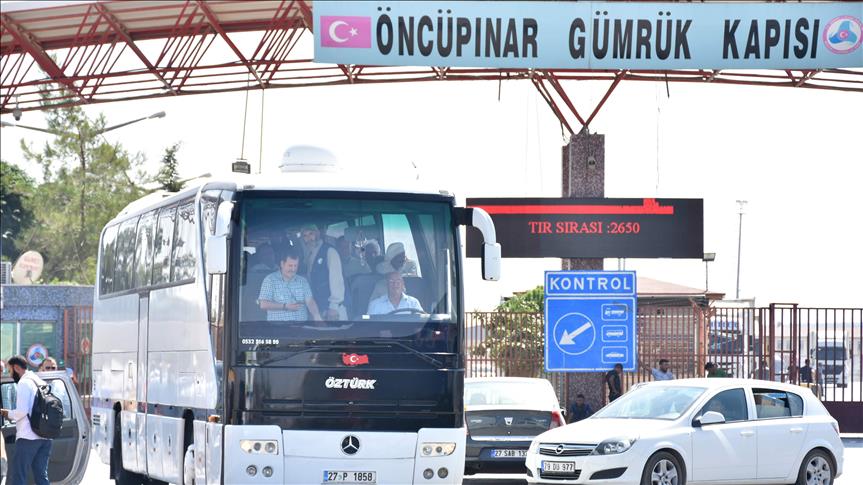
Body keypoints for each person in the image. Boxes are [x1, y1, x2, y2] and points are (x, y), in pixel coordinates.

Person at [0, 355, 52, 485]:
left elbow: (21, 412)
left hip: (28, 437)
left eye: (10, 370)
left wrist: (6, 413)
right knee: (41, 476)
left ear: (16, 368)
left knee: (19, 476)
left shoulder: (24, 383)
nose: (10, 374)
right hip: (45, 436)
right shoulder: (38, 380)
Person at [257, 249, 323, 322]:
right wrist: (285, 306)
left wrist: (316, 315)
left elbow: (310, 301)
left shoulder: (303, 281)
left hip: (301, 326)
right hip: (278, 326)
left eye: (295, 266)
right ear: (282, 264)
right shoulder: (270, 280)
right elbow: (263, 304)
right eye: (290, 266)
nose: (293, 269)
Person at [301, 224, 347, 321]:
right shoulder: (310, 254)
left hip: (333, 310)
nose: (308, 238)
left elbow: (336, 279)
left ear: (317, 234)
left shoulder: (329, 251)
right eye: (305, 235)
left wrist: (334, 306)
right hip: (320, 307)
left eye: (311, 234)